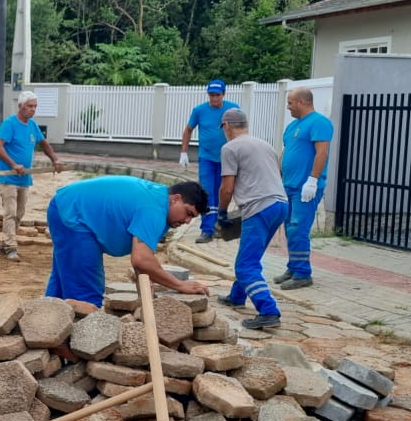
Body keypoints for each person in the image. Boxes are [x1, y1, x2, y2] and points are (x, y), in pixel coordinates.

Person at [45, 175, 212, 310]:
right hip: (74, 213)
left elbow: (143, 260)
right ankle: (82, 346)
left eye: (193, 217)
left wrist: (144, 298)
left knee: (63, 278)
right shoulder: (154, 210)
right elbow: (141, 260)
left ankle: (46, 326)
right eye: (188, 213)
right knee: (85, 292)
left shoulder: (160, 202)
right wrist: (180, 285)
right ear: (175, 199)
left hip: (68, 204)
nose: (188, 221)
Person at [216, 109, 289, 330]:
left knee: (246, 265)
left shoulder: (230, 148)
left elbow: (227, 188)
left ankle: (268, 310)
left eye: (224, 128)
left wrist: (221, 212)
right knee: (251, 256)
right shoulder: (265, 145)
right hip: (280, 204)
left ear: (227, 126)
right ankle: (236, 296)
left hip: (258, 208)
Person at [0, 90, 62, 262]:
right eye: (30, 106)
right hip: (8, 177)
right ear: (20, 106)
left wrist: (55, 160)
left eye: (35, 106)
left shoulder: (32, 126)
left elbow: (44, 144)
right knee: (10, 212)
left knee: (19, 213)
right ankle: (10, 247)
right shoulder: (10, 124)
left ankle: (5, 242)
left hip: (24, 178)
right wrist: (14, 164)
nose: (33, 109)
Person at [275, 87, 333, 290]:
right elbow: (286, 151)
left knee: (298, 228)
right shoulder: (292, 127)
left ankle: (303, 273)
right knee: (290, 228)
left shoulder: (320, 123)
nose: (288, 106)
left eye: (290, 102)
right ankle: (293, 266)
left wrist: (313, 180)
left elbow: (322, 153)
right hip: (289, 186)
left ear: (302, 102)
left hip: (306, 188)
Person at [179, 79, 240, 244]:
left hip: (226, 159)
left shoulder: (233, 109)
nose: (214, 99)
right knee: (207, 194)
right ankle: (207, 230)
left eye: (217, 95)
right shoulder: (199, 110)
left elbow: (239, 131)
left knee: (223, 192)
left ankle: (220, 225)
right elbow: (188, 130)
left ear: (223, 94)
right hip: (206, 158)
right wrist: (184, 152)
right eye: (211, 95)